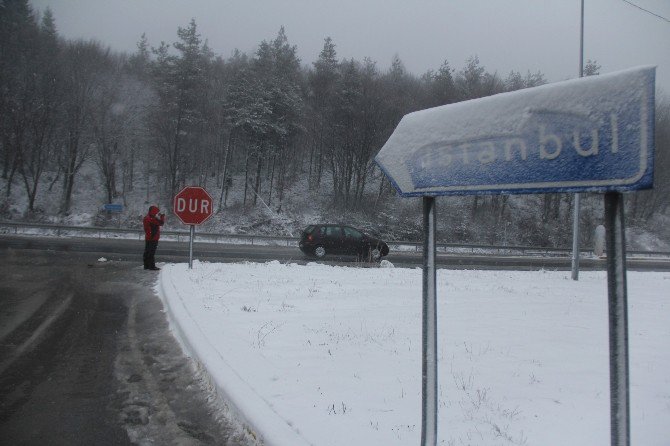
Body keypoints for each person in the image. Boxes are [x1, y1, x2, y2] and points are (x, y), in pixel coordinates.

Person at [143, 205, 165, 270]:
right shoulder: (151, 219)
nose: (156, 214)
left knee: (147, 252)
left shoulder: (147, 218)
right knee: (151, 253)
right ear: (153, 212)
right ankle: (151, 266)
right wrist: (162, 217)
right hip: (153, 238)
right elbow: (161, 223)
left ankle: (146, 266)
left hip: (149, 237)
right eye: (156, 212)